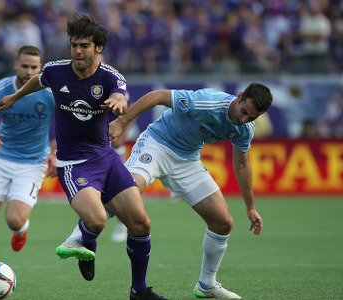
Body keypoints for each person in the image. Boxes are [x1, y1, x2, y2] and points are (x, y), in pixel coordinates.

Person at [0, 14, 167, 300]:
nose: (77, 50)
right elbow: (39, 79)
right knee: (98, 220)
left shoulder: (111, 77)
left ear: (98, 47)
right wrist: (15, 97)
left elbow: (122, 96)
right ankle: (87, 246)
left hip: (107, 158)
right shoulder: (56, 70)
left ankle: (139, 290)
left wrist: (119, 103)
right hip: (73, 163)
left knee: (141, 224)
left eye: (84, 45)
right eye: (74, 44)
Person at [100, 82, 272, 299]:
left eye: (252, 117)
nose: (244, 119)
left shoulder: (245, 128)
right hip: (158, 144)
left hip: (187, 159)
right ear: (239, 97)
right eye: (244, 112)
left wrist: (251, 207)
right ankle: (80, 237)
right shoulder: (208, 101)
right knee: (126, 191)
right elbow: (157, 96)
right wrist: (121, 123)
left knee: (223, 222)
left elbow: (242, 165)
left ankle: (207, 284)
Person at [0, 45, 56, 286]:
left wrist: (55, 153)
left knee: (14, 221)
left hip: (32, 163)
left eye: (34, 67)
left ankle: (21, 230)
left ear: (41, 68)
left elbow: (68, 128)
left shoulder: (50, 91)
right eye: (24, 66)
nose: (29, 71)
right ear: (15, 65)